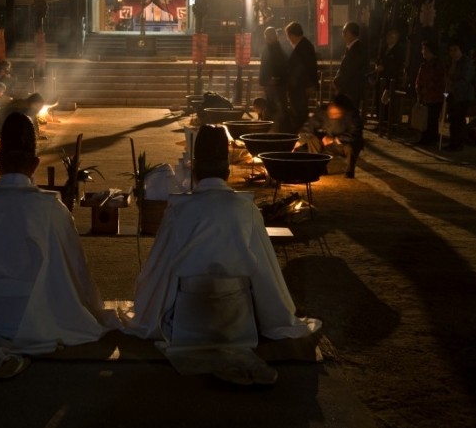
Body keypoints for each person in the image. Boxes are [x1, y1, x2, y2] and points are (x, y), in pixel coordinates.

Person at [121, 125, 321, 384]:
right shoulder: (245, 209)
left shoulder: (178, 209)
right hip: (236, 321)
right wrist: (276, 314)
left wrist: (146, 305)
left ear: (194, 171)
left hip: (188, 318)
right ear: (227, 171)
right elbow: (265, 271)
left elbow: (160, 265)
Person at [0, 112, 118, 379]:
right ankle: (20, 348)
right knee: (62, 314)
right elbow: (77, 269)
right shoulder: (51, 208)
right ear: (35, 163)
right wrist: (93, 308)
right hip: (41, 312)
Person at [296, 94, 364, 179]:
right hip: (328, 143)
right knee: (313, 140)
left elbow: (355, 134)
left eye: (337, 113)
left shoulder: (352, 116)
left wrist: (334, 139)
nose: (333, 114)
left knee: (351, 147)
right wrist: (299, 141)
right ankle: (318, 167)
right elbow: (310, 126)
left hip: (345, 144)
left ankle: (349, 171)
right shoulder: (323, 112)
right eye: (332, 111)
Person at [285, 21, 319, 130]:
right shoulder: (302, 45)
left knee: (300, 111)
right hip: (298, 85)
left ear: (292, 35)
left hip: (301, 86)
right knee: (298, 110)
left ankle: (299, 132)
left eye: (288, 36)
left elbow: (308, 68)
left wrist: (310, 85)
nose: (288, 39)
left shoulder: (304, 46)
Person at [443, 39, 475, 152]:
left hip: (462, 96)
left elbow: (466, 79)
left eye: (455, 49)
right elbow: (446, 80)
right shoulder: (450, 62)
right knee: (452, 119)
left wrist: (453, 85)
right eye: (451, 50)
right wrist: (446, 94)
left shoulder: (466, 62)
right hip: (452, 95)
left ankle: (458, 143)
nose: (453, 52)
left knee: (459, 119)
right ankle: (453, 142)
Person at [258, 27, 291, 133]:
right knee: (270, 108)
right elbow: (263, 67)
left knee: (281, 108)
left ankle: (282, 131)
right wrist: (264, 81)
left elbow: (285, 67)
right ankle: (270, 131)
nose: (268, 38)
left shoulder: (282, 49)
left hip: (279, 85)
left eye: (270, 36)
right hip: (269, 85)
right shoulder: (265, 49)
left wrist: (277, 79)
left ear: (275, 36)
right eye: (266, 36)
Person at [332, 22, 369, 114]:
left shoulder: (356, 49)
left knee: (349, 114)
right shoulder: (353, 48)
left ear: (349, 33)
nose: (342, 35)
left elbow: (350, 70)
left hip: (351, 89)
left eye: (344, 32)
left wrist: (337, 82)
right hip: (350, 88)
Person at [415, 40, 446, 145]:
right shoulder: (424, 65)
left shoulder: (438, 64)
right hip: (425, 96)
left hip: (435, 96)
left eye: (425, 50)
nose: (423, 52)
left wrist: (427, 88)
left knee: (432, 118)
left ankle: (432, 138)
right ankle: (425, 138)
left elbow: (437, 80)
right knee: (425, 118)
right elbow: (419, 79)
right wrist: (419, 89)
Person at [374, 28, 406, 126]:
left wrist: (385, 67)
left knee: (387, 101)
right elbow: (378, 59)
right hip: (381, 77)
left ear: (395, 37)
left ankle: (386, 122)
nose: (387, 38)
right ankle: (380, 120)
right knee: (378, 98)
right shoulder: (384, 48)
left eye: (390, 36)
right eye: (387, 36)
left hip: (390, 78)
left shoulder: (398, 50)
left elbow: (396, 64)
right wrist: (377, 66)